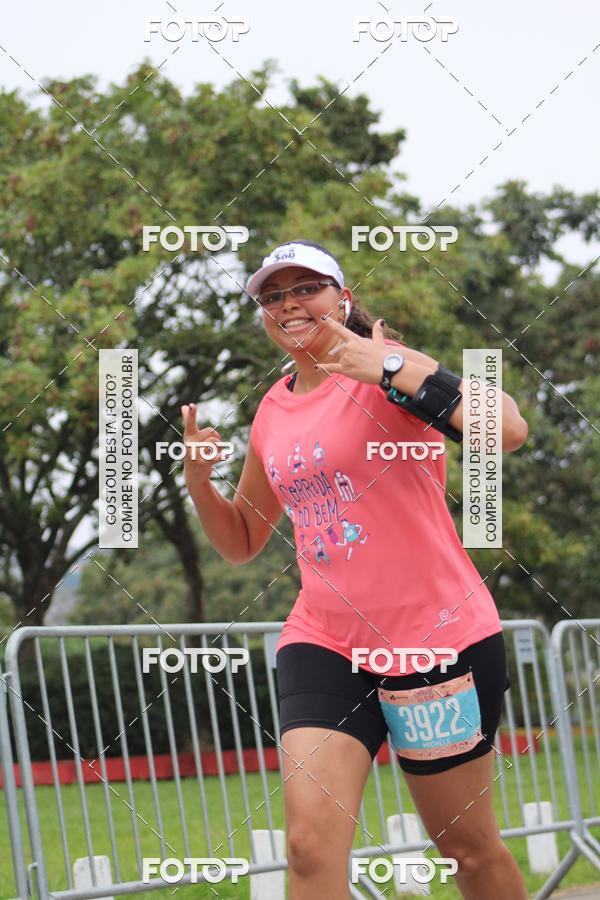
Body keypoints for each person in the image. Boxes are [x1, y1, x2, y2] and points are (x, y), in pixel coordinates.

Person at [181, 240, 529, 899]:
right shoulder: (272, 410)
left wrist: (391, 363)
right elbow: (243, 540)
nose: (289, 304)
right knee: (309, 847)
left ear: (341, 297)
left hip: (434, 638)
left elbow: (507, 429)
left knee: (467, 848)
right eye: (272, 296)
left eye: (305, 288)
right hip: (326, 639)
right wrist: (201, 483)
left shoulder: (386, 373)